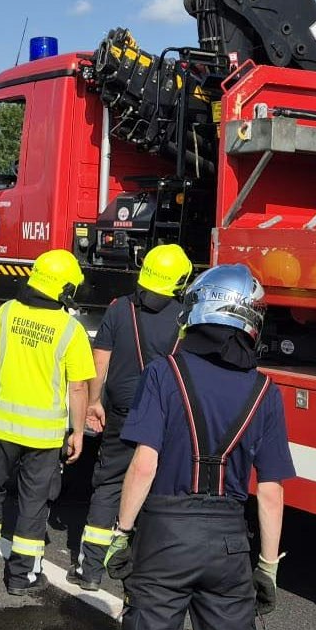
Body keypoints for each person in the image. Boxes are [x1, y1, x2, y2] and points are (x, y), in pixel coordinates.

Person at [104, 264, 294, 630]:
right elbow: (270, 491)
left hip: (164, 539)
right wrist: (267, 566)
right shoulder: (265, 391)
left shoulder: (165, 373)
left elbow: (144, 465)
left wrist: (121, 534)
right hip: (230, 544)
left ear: (200, 310)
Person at [0, 249, 94, 595]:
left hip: (0, 427)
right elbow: (77, 388)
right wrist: (78, 432)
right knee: (34, 504)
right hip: (43, 437)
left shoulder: (7, 312)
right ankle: (23, 576)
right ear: (65, 289)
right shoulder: (71, 330)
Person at [70, 244, 192, 590]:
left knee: (108, 485)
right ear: (179, 281)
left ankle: (90, 569)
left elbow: (100, 361)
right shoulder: (185, 318)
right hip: (165, 416)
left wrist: (94, 402)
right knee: (157, 488)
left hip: (123, 412)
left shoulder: (120, 308)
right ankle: (144, 571)